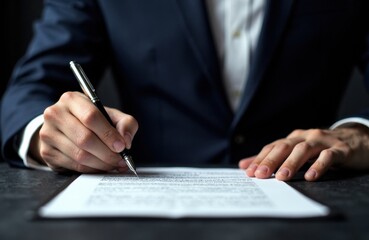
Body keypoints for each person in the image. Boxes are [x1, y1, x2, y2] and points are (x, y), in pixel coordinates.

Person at [2, 0, 369, 181]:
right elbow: (33, 84)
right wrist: (44, 133)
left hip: (313, 197)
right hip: (148, 210)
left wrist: (361, 135)